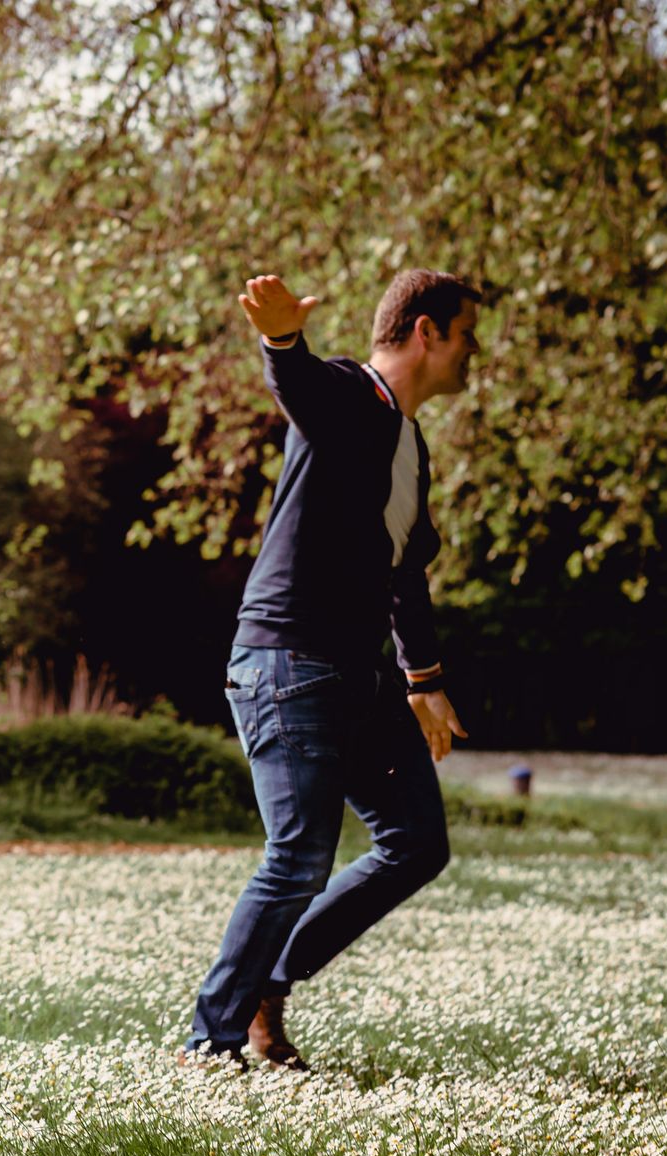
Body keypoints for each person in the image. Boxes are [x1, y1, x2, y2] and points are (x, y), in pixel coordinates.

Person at [184, 270, 480, 1070]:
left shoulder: (410, 442)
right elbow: (300, 389)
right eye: (465, 336)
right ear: (425, 331)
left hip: (361, 672)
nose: (472, 354)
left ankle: (266, 987)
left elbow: (405, 572)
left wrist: (424, 680)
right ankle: (210, 1044)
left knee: (417, 842)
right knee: (299, 856)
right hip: (289, 661)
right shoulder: (350, 394)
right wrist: (281, 338)